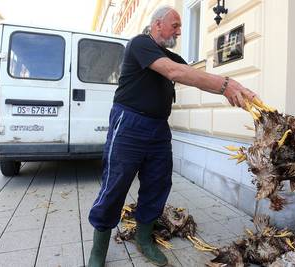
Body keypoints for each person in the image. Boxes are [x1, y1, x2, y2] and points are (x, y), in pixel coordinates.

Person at [88, 5, 259, 267]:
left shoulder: (170, 55)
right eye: (175, 25)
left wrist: (239, 91)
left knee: (158, 183)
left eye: (180, 27)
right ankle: (98, 250)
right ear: (157, 24)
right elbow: (175, 72)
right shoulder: (139, 44)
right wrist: (226, 86)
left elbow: (197, 76)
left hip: (158, 128)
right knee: (116, 184)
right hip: (129, 124)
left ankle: (144, 239)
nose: (179, 32)